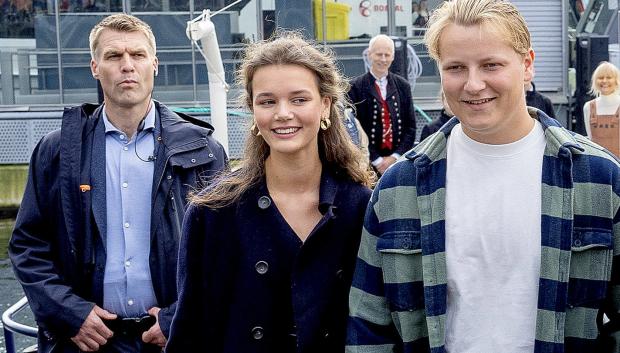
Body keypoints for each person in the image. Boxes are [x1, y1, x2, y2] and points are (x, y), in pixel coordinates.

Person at [346, 0, 620, 352]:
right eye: (456, 67)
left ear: (527, 65)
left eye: (491, 65)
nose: (473, 84)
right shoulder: (399, 187)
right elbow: (369, 325)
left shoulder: (599, 178)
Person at [9, 14, 227, 353]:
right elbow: (28, 246)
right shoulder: (58, 152)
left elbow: (223, 251)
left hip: (172, 339)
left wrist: (178, 318)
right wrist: (69, 314)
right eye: (113, 56)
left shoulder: (204, 151)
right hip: (86, 341)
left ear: (154, 64)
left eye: (137, 55)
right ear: (95, 67)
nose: (127, 66)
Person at [166, 32, 373, 353]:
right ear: (252, 110)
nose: (283, 113)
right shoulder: (214, 212)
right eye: (268, 101)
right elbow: (190, 329)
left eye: (299, 99)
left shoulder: (361, 205)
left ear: (326, 106)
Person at [348, 34, 416, 174]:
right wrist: (377, 160)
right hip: (366, 163)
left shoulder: (403, 86)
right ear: (369, 54)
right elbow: (352, 128)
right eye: (379, 54)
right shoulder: (355, 87)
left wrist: (395, 157)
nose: (383, 59)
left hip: (397, 162)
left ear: (392, 57)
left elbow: (411, 127)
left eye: (387, 55)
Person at [583, 61, 620, 156]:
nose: (604, 81)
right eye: (600, 78)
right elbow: (590, 139)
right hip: (598, 166)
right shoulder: (588, 107)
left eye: (609, 77)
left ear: (616, 80)